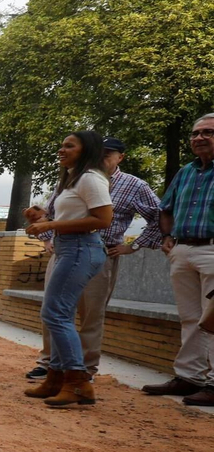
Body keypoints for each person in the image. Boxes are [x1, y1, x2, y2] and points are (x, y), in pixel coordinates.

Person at [25, 137, 161, 381]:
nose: (102, 157)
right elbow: (53, 213)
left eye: (108, 154)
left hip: (97, 251)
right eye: (99, 152)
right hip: (64, 249)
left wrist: (134, 245)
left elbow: (157, 216)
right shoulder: (72, 178)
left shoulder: (128, 184)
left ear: (121, 157)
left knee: (88, 315)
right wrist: (45, 231)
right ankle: (52, 365)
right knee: (54, 311)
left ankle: (82, 372)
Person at [22, 130, 114, 407]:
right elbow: (77, 216)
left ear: (86, 150)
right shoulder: (73, 179)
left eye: (69, 146)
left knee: (56, 314)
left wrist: (49, 226)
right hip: (70, 249)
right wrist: (44, 216)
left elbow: (103, 219)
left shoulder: (90, 179)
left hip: (80, 250)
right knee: (56, 314)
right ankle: (56, 379)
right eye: (61, 145)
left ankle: (78, 383)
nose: (62, 150)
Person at [142, 113, 214, 406]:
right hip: (182, 250)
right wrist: (167, 237)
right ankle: (189, 378)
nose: (199, 138)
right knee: (190, 318)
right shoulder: (185, 172)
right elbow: (165, 208)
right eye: (195, 133)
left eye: (208, 132)